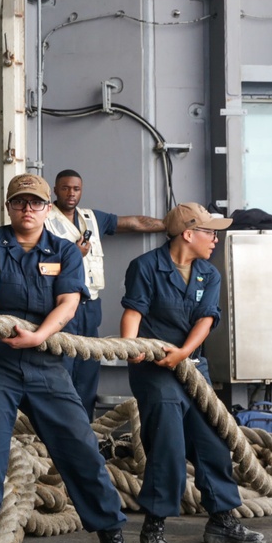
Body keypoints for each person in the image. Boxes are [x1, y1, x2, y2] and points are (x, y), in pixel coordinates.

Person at [0, 173, 153, 543]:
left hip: (45, 363)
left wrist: (40, 336)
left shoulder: (64, 250)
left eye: (36, 203)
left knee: (81, 451)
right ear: (9, 207)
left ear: (47, 208)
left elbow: (69, 300)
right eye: (20, 202)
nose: (28, 209)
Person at [120, 202, 265, 543]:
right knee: (168, 440)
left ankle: (222, 520)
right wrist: (131, 347)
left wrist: (184, 352)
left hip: (190, 366)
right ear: (188, 233)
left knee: (212, 438)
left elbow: (205, 319)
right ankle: (153, 527)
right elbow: (134, 310)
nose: (215, 239)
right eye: (209, 232)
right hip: (154, 370)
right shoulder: (146, 267)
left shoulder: (207, 273)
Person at [44, 169, 164, 418]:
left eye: (76, 188)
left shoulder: (91, 218)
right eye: (65, 188)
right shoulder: (43, 219)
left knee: (88, 366)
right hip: (60, 304)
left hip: (90, 306)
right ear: (55, 190)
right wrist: (72, 257)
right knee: (60, 366)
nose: (71, 193)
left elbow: (134, 223)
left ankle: (84, 428)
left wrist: (169, 225)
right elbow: (35, 266)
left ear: (82, 190)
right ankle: (56, 430)